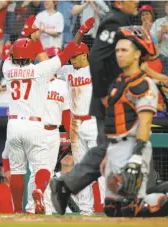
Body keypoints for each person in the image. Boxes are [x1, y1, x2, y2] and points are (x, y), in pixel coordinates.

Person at [49, 0, 153, 215]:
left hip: (118, 98)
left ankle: (97, 195)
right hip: (110, 100)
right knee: (113, 147)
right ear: (119, 2)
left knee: (111, 148)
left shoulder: (125, 20)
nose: (137, 2)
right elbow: (97, 57)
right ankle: (77, 189)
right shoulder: (114, 21)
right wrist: (104, 94)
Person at [98, 25, 168, 218]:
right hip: (117, 146)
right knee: (112, 208)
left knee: (133, 208)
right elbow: (113, 122)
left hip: (136, 143)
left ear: (137, 53)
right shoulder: (118, 81)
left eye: (124, 50)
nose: (119, 55)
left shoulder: (145, 80)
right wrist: (109, 153)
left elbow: (146, 120)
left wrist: (137, 155)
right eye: (117, 50)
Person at [1, 16, 94, 214]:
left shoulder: (6, 68)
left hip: (13, 125)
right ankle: (38, 190)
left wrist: (29, 36)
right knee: (43, 167)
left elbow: (13, 54)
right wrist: (80, 32)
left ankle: (17, 211)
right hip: (35, 126)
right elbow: (68, 51)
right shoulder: (40, 70)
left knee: (17, 170)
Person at [56, 42, 105, 215]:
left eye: (75, 56)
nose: (72, 59)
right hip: (75, 124)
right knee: (81, 168)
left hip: (93, 122)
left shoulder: (97, 70)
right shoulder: (68, 70)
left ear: (85, 55)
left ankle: (108, 206)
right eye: (71, 57)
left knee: (102, 165)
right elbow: (52, 63)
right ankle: (86, 209)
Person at [25, 46, 71, 215]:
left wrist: (70, 135)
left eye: (55, 59)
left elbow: (66, 113)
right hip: (35, 129)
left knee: (41, 171)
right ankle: (44, 207)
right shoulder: (32, 81)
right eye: (50, 58)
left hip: (53, 131)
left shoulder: (62, 85)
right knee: (41, 170)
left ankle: (33, 207)